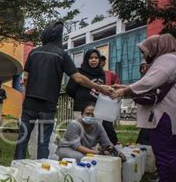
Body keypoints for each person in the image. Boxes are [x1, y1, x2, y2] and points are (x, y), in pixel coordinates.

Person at [14, 21, 113, 160]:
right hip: (48, 105)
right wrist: (99, 87)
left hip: (30, 103)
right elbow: (78, 78)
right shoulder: (62, 55)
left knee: (22, 138)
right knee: (44, 142)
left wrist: (25, 99)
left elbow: (25, 79)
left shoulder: (33, 53)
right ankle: (41, 171)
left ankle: (17, 166)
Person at [112, 33, 176, 182]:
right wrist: (125, 86)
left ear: (157, 47)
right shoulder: (174, 59)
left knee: (165, 152)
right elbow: (155, 82)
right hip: (172, 113)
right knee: (173, 151)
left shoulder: (167, 59)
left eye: (146, 51)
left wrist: (125, 90)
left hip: (164, 115)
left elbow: (149, 82)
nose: (145, 55)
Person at [66, 49, 119, 145]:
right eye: (91, 58)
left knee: (94, 135)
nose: (93, 60)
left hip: (96, 109)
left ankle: (92, 155)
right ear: (86, 59)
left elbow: (100, 90)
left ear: (99, 60)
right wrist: (80, 97)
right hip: (80, 108)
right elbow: (69, 89)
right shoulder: (79, 72)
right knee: (80, 133)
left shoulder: (101, 73)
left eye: (96, 58)